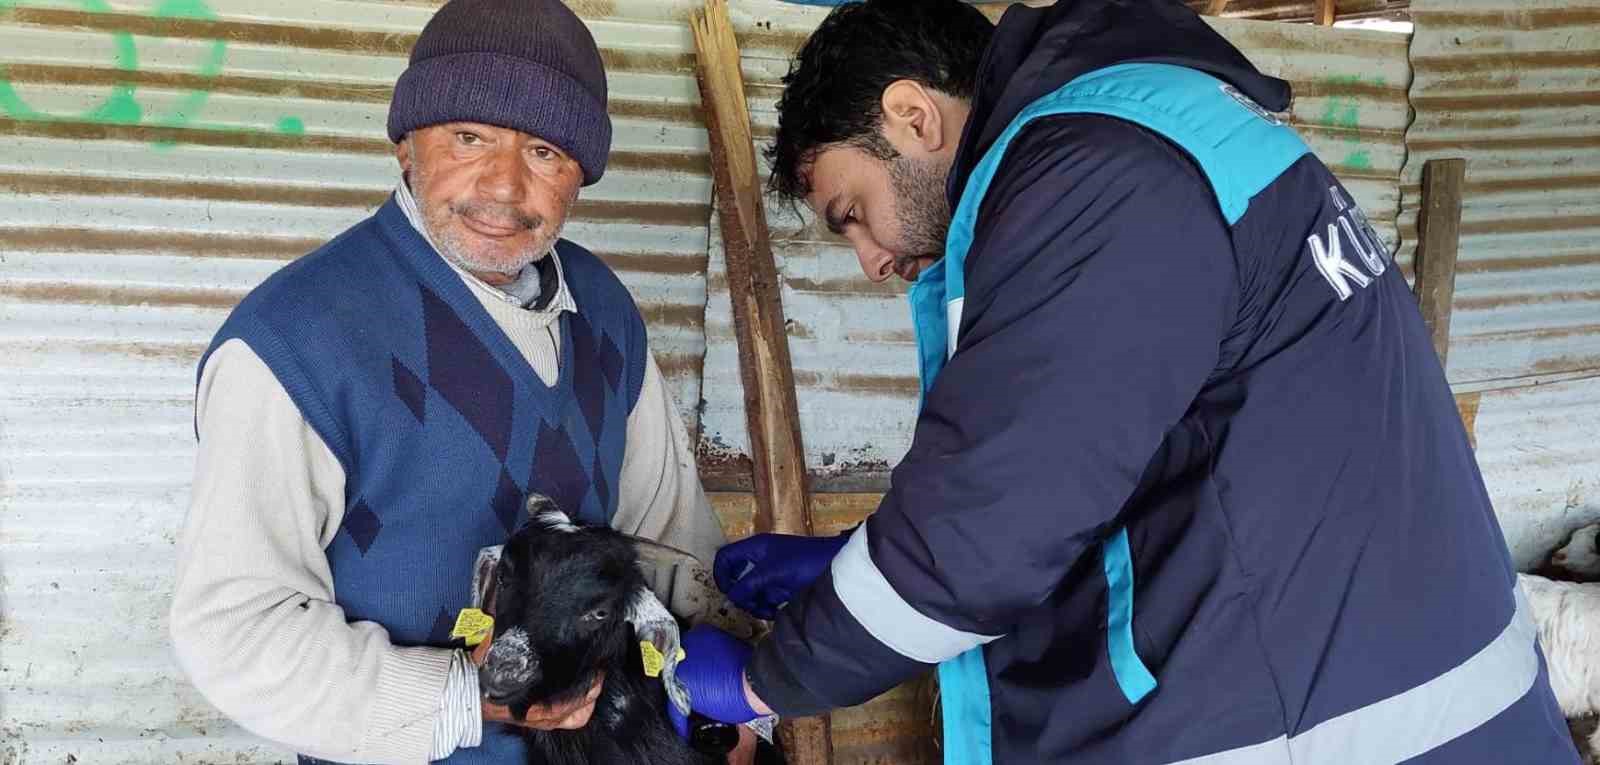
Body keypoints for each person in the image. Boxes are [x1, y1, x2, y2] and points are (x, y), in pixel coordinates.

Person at [671, 1, 1580, 762]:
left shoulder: (1096, 175)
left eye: (853, 213)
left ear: (913, 116)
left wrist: (762, 681)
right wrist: (859, 567)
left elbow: (986, 536)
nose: (870, 259)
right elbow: (1091, 476)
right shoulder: (1162, 131)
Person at [168, 1, 752, 762]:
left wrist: (728, 702)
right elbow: (234, 626)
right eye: (468, 137)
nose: (504, 188)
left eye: (545, 151)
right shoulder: (297, 339)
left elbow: (671, 536)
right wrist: (463, 696)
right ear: (405, 146)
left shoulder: (605, 313)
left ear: (581, 174)